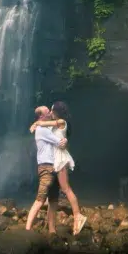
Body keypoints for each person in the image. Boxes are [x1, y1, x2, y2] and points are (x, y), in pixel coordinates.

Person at [29, 100, 87, 235]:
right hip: (54, 161)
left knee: (66, 188)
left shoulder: (61, 122)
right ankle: (52, 230)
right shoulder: (52, 126)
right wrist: (36, 124)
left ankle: (78, 215)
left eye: (51, 110)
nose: (50, 112)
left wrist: (36, 123)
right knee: (53, 199)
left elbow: (43, 123)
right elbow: (45, 128)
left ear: (56, 112)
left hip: (60, 159)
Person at [24, 105, 66, 233]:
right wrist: (62, 141)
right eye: (48, 111)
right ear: (42, 116)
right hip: (46, 167)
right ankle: (27, 229)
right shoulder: (42, 130)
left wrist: (35, 124)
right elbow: (59, 142)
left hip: (54, 166)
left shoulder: (44, 127)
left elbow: (59, 126)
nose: (50, 112)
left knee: (53, 200)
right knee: (40, 199)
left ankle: (52, 230)